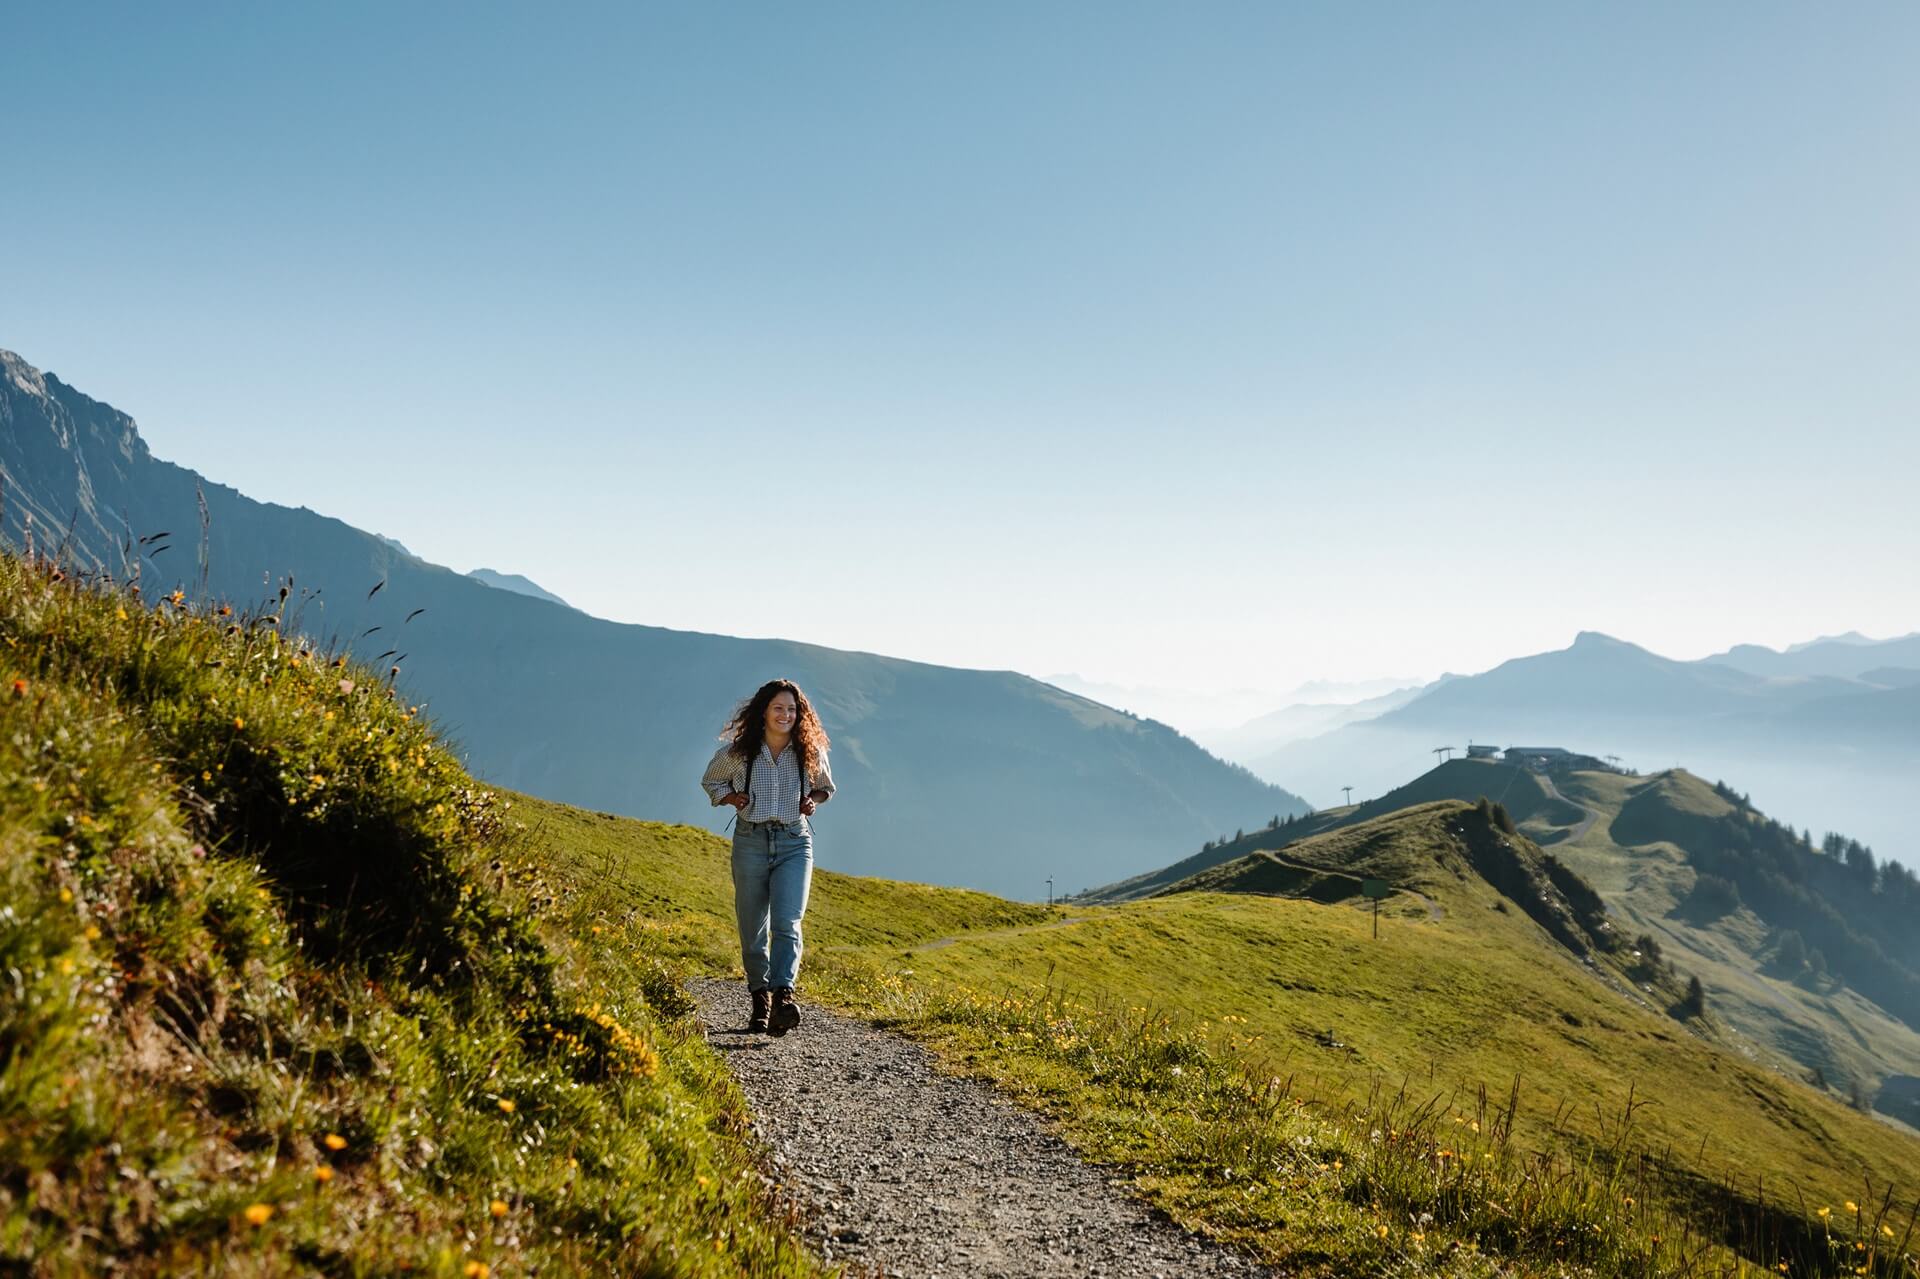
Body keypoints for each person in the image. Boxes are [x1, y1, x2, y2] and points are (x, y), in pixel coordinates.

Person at [700, 678, 834, 1035]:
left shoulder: (809, 752)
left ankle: (783, 997)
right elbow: (711, 781)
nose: (785, 715)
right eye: (778, 708)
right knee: (752, 926)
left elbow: (825, 788)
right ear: (763, 712)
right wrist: (732, 798)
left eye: (792, 709)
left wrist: (812, 801)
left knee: (788, 922)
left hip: (794, 841)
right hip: (751, 841)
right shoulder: (739, 753)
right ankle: (759, 997)